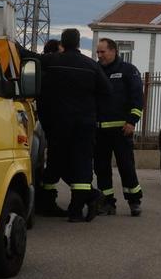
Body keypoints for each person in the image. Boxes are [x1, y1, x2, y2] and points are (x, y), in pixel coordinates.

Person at [35, 29, 112, 222]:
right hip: (85, 125)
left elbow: (30, 58)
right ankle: (76, 210)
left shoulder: (52, 61)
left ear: (63, 42)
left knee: (55, 162)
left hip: (59, 124)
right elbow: (107, 91)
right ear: (78, 43)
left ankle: (47, 204)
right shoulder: (91, 65)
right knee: (82, 164)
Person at [94, 38, 145, 216]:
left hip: (122, 130)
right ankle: (107, 202)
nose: (99, 56)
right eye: (98, 52)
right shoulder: (96, 70)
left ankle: (134, 201)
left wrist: (132, 121)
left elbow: (138, 99)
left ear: (114, 51)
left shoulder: (128, 71)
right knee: (101, 168)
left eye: (103, 52)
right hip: (99, 130)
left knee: (126, 166)